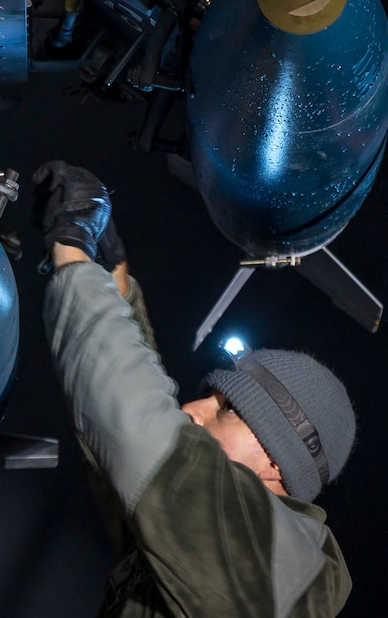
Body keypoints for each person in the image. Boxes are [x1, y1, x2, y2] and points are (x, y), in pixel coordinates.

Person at [31, 160, 355, 616]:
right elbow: (133, 451)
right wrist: (112, 277)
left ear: (277, 463)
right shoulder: (204, 551)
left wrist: (72, 250)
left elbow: (140, 434)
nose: (192, 409)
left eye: (227, 410)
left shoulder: (285, 568)